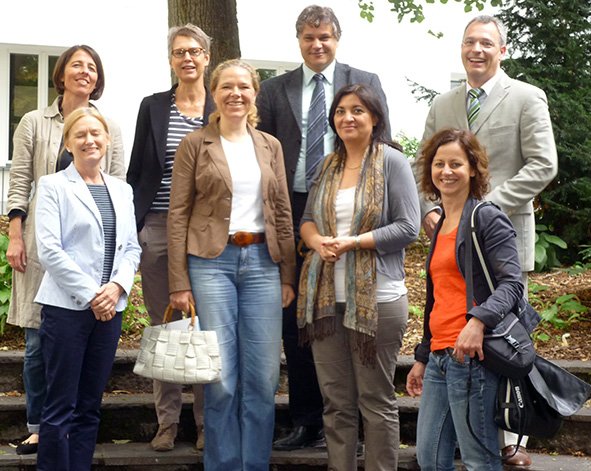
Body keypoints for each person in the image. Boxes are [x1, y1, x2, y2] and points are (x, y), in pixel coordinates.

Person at [419, 15, 558, 466]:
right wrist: (434, 209)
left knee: (500, 340)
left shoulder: (526, 98)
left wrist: (482, 206)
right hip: (449, 236)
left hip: (500, 235)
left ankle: (510, 441)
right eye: (468, 42)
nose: (475, 50)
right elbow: (427, 164)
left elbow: (542, 164)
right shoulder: (444, 104)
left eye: (485, 43)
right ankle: (468, 433)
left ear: (502, 50)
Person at [256, 4, 391, 450]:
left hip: (349, 205)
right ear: (298, 41)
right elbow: (262, 153)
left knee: (342, 313)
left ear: (337, 40)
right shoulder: (275, 89)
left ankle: (348, 421)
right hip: (291, 206)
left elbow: (383, 141)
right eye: (310, 38)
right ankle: (306, 418)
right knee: (297, 313)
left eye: (325, 37)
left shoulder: (364, 81)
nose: (318, 45)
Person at [167, 59, 296, 470]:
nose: (235, 93)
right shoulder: (195, 144)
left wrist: (287, 274)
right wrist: (178, 281)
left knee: (262, 379)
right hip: (211, 263)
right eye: (226, 86)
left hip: (262, 264)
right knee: (220, 377)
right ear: (214, 92)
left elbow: (281, 213)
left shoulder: (269, 145)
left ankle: (253, 464)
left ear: (255, 93)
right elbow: (177, 214)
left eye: (244, 86)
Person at [5, 45, 125, 455]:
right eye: (77, 64)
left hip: (97, 250)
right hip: (44, 243)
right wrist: (16, 234)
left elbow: (118, 192)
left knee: (74, 353)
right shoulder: (35, 122)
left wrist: (112, 283)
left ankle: (63, 432)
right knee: (40, 342)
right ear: (61, 73)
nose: (84, 72)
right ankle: (40, 424)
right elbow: (20, 179)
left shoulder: (110, 126)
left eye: (92, 66)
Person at [298, 83, 419, 470]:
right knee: (336, 402)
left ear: (375, 118)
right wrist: (318, 242)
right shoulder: (327, 165)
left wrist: (354, 242)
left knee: (375, 400)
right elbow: (307, 221)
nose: (347, 118)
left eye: (358, 111)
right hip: (325, 300)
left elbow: (408, 227)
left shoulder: (392, 162)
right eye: (340, 111)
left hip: (378, 300)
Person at [406, 128, 526, 471]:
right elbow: (436, 298)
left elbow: (511, 284)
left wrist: (478, 321)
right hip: (441, 356)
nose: (446, 171)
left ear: (473, 169)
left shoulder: (486, 217)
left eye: (456, 163)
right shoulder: (440, 223)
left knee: (478, 459)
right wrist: (423, 355)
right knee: (429, 458)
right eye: (439, 163)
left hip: (471, 354)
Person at [33, 107, 140, 470]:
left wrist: (117, 288)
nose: (89, 140)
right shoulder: (53, 186)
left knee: (89, 406)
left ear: (107, 140)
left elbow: (132, 248)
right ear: (68, 143)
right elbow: (49, 249)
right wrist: (94, 294)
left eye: (96, 133)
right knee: (60, 406)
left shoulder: (122, 190)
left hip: (111, 310)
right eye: (80, 134)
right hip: (67, 309)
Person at [127, 23, 215, 452]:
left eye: (195, 50)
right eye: (180, 51)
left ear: (207, 57)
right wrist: (137, 224)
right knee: (165, 325)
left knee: (202, 327)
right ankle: (167, 423)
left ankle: (203, 423)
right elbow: (137, 170)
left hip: (207, 229)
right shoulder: (153, 106)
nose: (187, 58)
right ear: (171, 59)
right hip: (159, 226)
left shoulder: (221, 106)